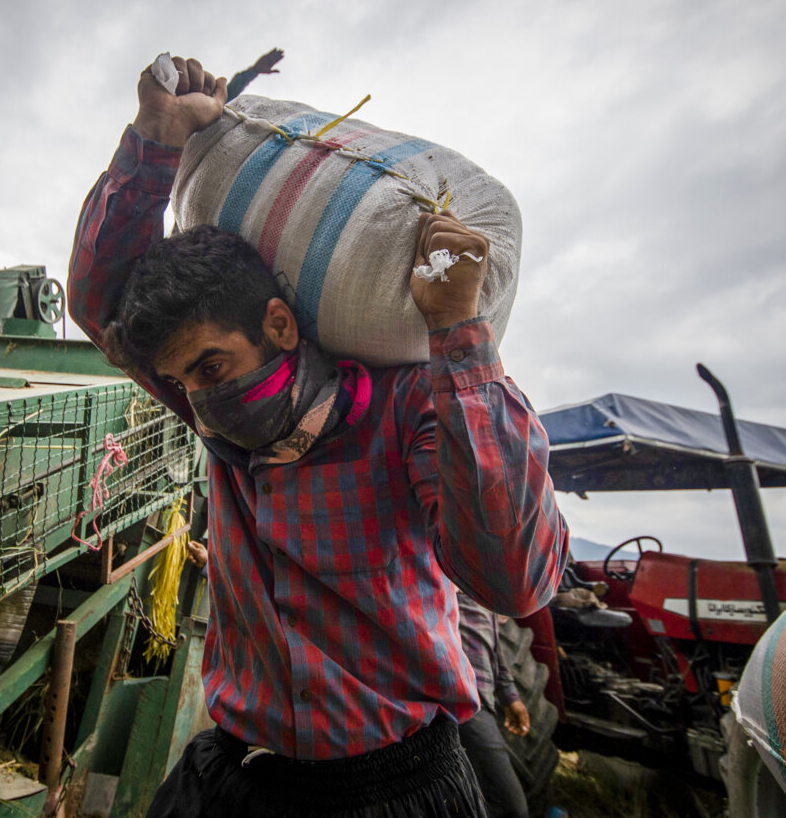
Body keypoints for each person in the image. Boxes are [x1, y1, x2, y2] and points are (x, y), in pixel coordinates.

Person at [68, 54, 569, 818]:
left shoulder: (408, 412)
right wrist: (154, 140)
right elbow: (103, 302)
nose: (200, 399)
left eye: (212, 366)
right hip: (233, 772)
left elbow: (512, 575)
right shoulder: (216, 418)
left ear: (278, 324)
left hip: (394, 788)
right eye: (184, 382)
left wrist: (459, 334)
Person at [456, 592, 533, 818]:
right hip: (459, 700)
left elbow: (491, 642)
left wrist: (510, 695)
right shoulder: (449, 568)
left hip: (479, 700)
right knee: (510, 807)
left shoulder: (480, 584)